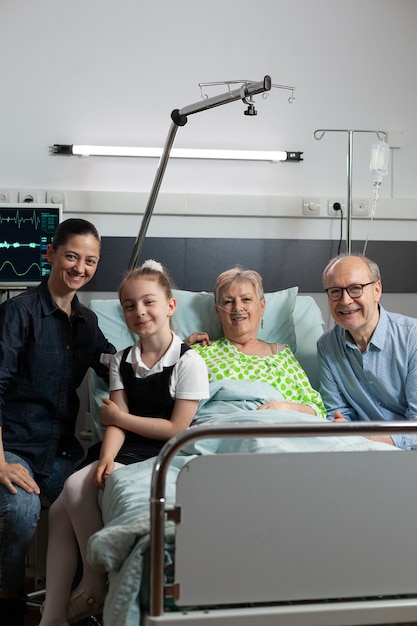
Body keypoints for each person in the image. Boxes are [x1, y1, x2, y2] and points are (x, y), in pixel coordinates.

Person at [38, 260, 209, 626]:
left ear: (170, 306)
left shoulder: (188, 361)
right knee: (57, 512)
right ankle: (52, 616)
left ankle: (93, 582)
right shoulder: (121, 360)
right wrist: (107, 457)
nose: (139, 312)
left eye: (148, 302)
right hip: (124, 446)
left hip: (162, 451)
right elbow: (113, 424)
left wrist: (120, 420)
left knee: (71, 487)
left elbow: (178, 428)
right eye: (129, 306)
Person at [0, 218, 116, 626]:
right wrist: (0, 462)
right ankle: (9, 597)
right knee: (21, 510)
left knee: (101, 501)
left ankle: (79, 599)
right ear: (49, 255)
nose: (80, 268)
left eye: (90, 261)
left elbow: (116, 367)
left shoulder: (89, 324)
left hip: (60, 452)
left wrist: (176, 348)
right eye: (71, 256)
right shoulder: (18, 314)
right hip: (13, 445)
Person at [191, 266, 326, 418]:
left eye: (246, 299)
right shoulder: (200, 353)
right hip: (219, 427)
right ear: (218, 312)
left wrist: (286, 406)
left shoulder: (281, 356)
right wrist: (179, 347)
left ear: (262, 307)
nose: (238, 307)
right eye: (228, 301)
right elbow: (170, 398)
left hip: (271, 430)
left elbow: (316, 409)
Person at [318, 252, 417, 449]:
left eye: (355, 289)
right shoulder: (327, 346)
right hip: (359, 452)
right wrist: (340, 426)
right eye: (335, 291)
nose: (345, 300)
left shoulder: (412, 339)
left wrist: (366, 438)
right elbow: (337, 412)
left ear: (377, 290)